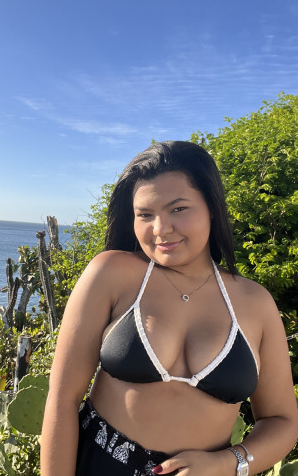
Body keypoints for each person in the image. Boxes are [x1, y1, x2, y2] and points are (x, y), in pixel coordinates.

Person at [40, 141, 298, 476]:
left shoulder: (255, 302)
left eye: (178, 209)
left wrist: (226, 463)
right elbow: (62, 399)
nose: (160, 229)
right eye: (145, 215)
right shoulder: (112, 274)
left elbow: (282, 421)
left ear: (211, 207)